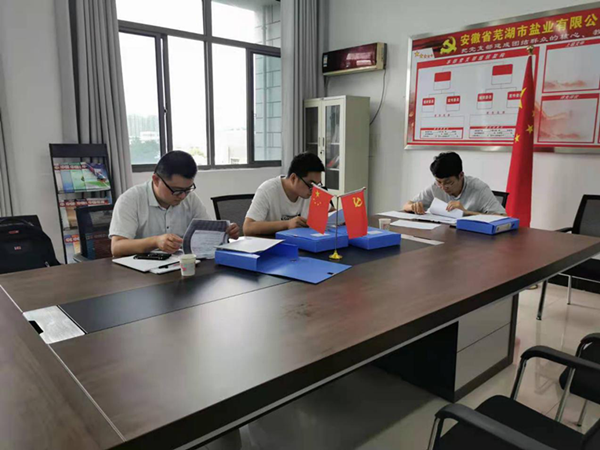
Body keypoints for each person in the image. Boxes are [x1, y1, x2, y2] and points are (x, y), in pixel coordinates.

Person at [110, 151, 240, 258]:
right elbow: (117, 247)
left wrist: (224, 233)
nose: (182, 196)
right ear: (156, 180)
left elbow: (206, 233)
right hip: (141, 272)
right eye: (176, 190)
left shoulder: (190, 199)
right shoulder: (131, 200)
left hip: (181, 267)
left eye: (187, 189)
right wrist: (155, 241)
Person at [243, 152, 325, 236]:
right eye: (311, 184)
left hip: (301, 241)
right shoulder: (268, 190)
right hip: (272, 242)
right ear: (293, 178)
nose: (314, 190)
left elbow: (330, 214)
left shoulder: (313, 192)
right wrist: (287, 224)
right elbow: (248, 228)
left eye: (317, 185)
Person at [403, 152, 506, 216]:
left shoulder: (479, 188)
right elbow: (407, 205)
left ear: (461, 175)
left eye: (448, 182)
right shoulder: (436, 187)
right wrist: (413, 207)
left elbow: (503, 218)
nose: (443, 187)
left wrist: (466, 212)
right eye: (439, 182)